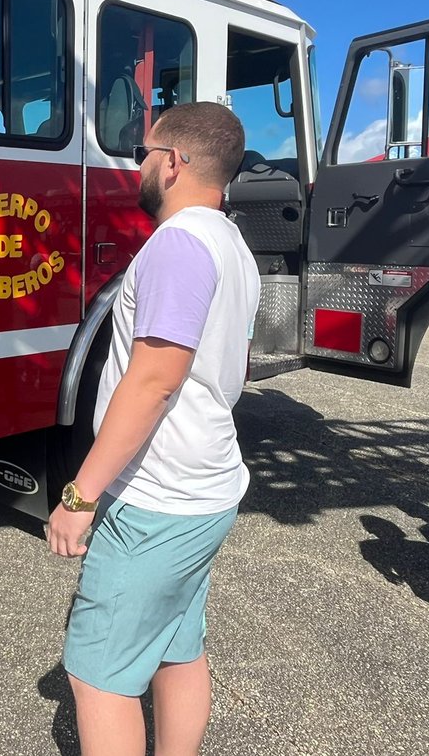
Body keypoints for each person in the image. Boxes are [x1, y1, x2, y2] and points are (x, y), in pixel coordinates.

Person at [48, 102, 259, 756]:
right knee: (177, 647)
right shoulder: (232, 243)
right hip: (206, 489)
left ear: (172, 163)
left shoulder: (179, 243)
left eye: (144, 153)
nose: (137, 166)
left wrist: (80, 496)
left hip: (158, 500)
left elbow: (154, 380)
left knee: (97, 676)